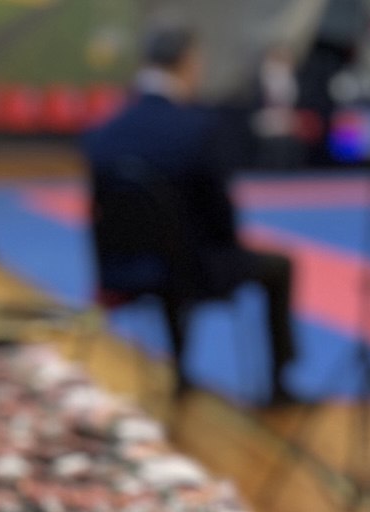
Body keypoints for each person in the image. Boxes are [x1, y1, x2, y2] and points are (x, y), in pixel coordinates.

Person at [82, 23, 299, 405]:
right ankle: (280, 386)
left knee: (172, 251)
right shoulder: (198, 128)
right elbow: (221, 217)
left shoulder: (104, 133)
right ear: (187, 63)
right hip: (192, 270)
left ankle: (181, 371)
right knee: (277, 266)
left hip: (120, 269)